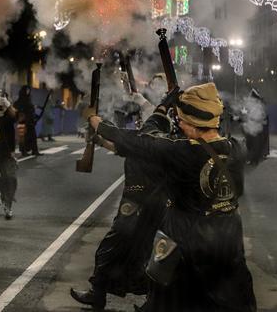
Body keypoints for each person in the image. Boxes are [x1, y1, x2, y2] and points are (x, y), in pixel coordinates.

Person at [89, 83, 256, 312]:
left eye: (183, 121)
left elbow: (144, 140)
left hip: (185, 238)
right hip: (227, 237)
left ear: (194, 123)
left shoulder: (183, 152)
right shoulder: (237, 149)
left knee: (170, 302)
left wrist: (100, 125)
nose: (180, 125)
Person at [70, 91, 167, 311]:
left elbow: (121, 138)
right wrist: (98, 141)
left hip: (139, 203)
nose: (141, 121)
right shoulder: (149, 139)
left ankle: (103, 294)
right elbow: (121, 147)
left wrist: (96, 122)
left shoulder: (151, 140)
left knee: (113, 249)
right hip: (143, 203)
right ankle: (110, 295)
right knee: (139, 255)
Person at [14, 85, 40, 155]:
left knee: (33, 136)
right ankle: (23, 151)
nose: (28, 91)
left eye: (29, 90)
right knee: (23, 137)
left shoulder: (28, 100)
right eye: (27, 90)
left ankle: (35, 150)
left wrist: (33, 112)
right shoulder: (20, 100)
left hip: (30, 121)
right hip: (23, 121)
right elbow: (18, 109)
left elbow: (30, 109)